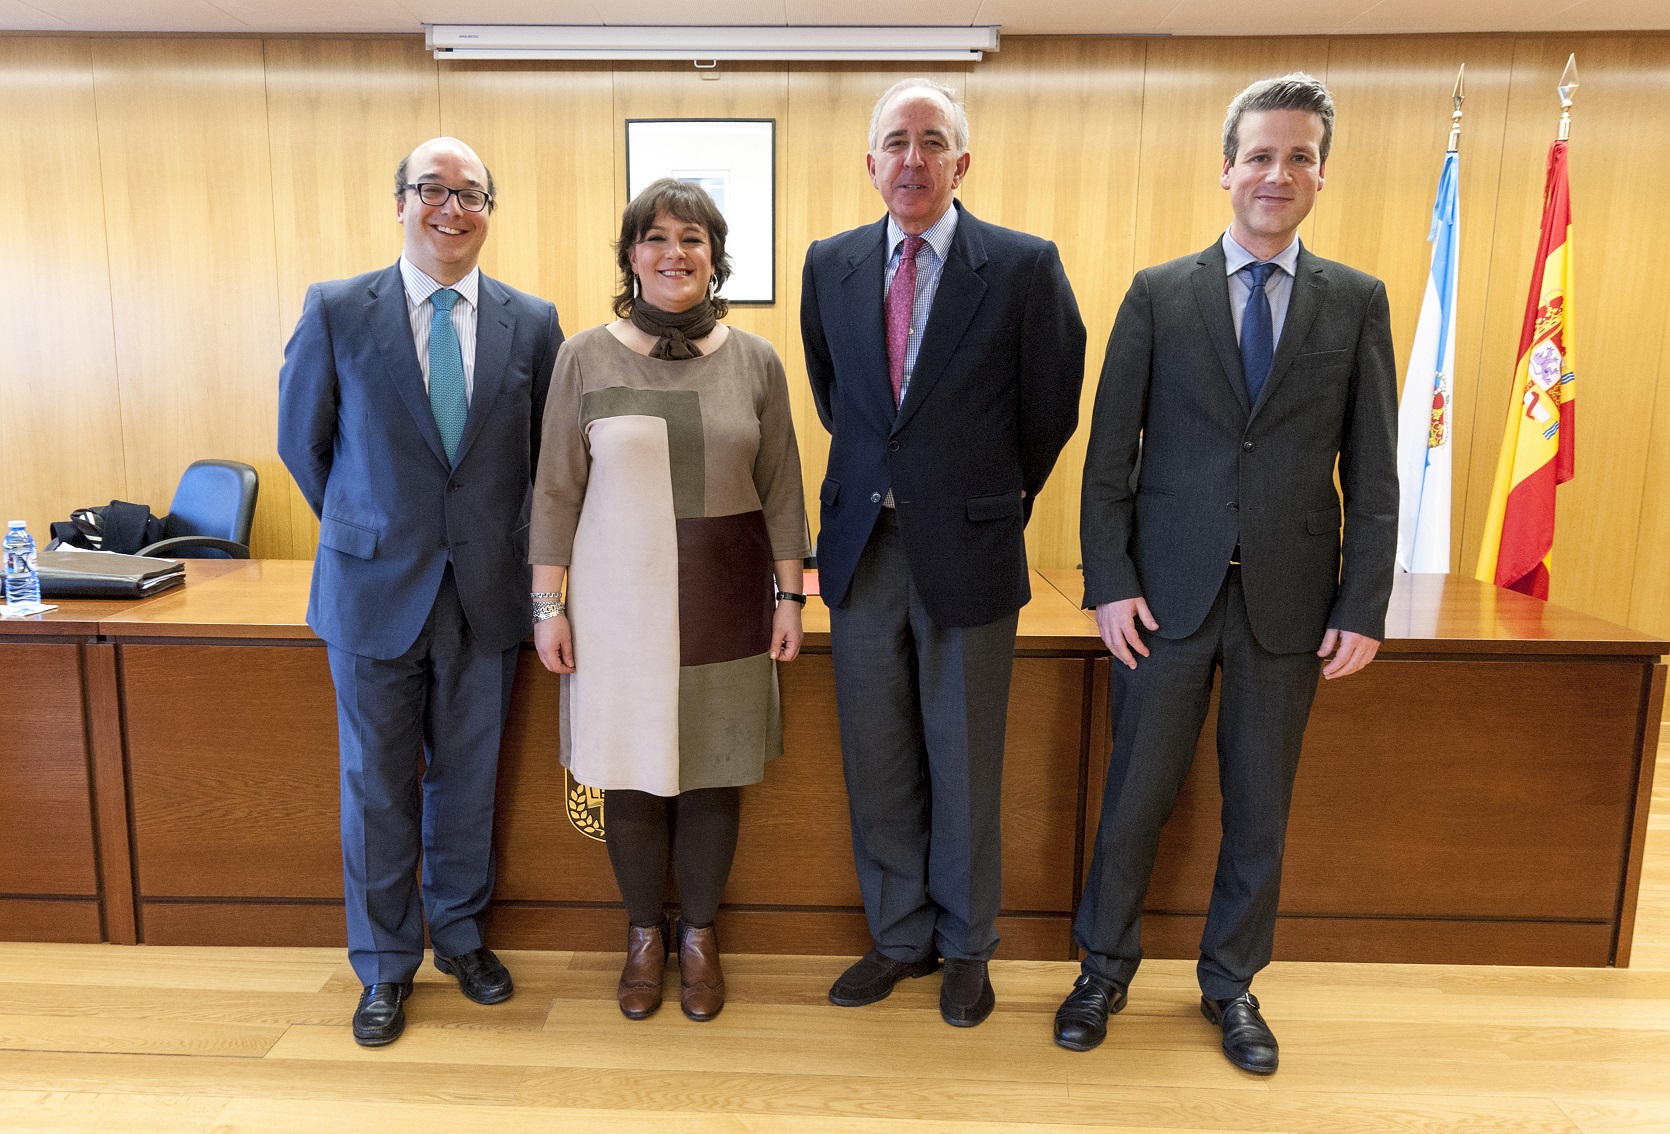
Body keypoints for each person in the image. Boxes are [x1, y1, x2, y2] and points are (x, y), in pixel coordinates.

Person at [1059, 73, 1398, 1072]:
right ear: (1226, 168)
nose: (1276, 173)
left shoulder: (1356, 302)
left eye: (1298, 157)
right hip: (1162, 600)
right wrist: (1110, 583)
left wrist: (1363, 601)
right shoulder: (1157, 294)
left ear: (1321, 176)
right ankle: (1102, 969)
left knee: (1259, 808)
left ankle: (1232, 984)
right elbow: (1107, 456)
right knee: (1136, 798)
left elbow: (1375, 470)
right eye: (1259, 155)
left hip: (1289, 603)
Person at [799, 78, 1085, 1028]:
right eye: (896, 141)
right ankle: (899, 938)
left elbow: (1049, 405)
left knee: (963, 760)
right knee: (877, 756)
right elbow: (837, 397)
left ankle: (967, 947)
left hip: (969, 546)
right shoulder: (830, 264)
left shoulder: (1022, 267)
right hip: (862, 550)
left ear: (962, 163)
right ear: (870, 162)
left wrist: (987, 495)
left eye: (931, 141)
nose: (912, 158)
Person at [278, 137, 565, 1046]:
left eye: (471, 194)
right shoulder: (337, 310)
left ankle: (462, 939)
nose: (452, 208)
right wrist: (370, 526)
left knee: (468, 782)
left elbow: (548, 463)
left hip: (486, 591)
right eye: (433, 190)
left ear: (488, 212)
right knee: (376, 789)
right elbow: (303, 444)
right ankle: (384, 965)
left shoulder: (533, 322)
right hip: (371, 590)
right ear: (400, 202)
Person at [529, 178, 810, 1023]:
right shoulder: (584, 355)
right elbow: (555, 490)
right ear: (630, 256)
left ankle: (699, 937)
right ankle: (644, 936)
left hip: (727, 599)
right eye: (655, 237)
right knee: (631, 776)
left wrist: (791, 596)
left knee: (715, 771)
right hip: (617, 609)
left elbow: (783, 487)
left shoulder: (756, 361)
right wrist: (547, 607)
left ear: (714, 258)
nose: (673, 253)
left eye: (692, 238)